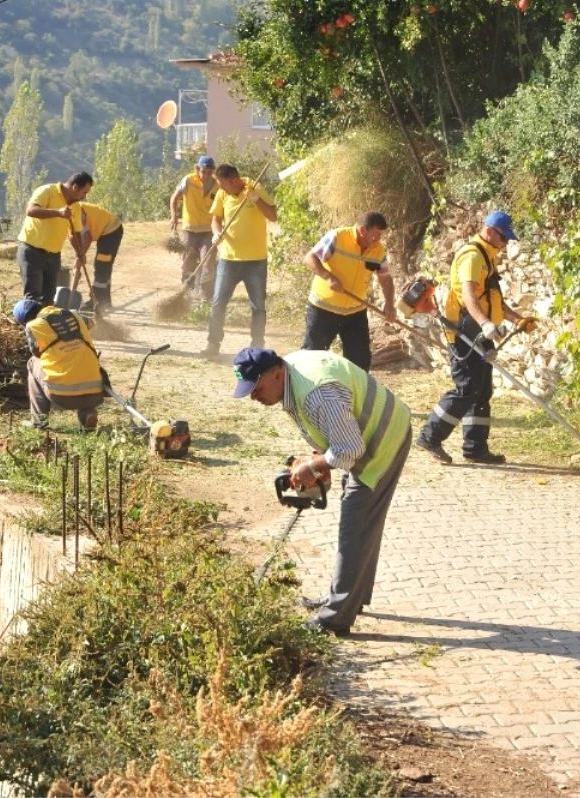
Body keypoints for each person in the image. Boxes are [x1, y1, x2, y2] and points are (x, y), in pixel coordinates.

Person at [233, 346, 411, 636]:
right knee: (362, 524)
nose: (254, 397)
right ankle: (350, 598)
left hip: (384, 438)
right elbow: (333, 430)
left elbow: (350, 449)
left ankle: (336, 618)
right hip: (365, 438)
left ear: (277, 373)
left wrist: (313, 467)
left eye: (256, 388)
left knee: (355, 527)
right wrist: (317, 459)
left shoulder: (317, 392)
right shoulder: (290, 375)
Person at [415, 211, 536, 465]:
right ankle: (430, 436)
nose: (505, 244)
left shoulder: (487, 258)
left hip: (480, 330)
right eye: (503, 238)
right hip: (464, 330)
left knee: (481, 391)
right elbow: (469, 296)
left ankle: (475, 448)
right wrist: (485, 323)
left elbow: (493, 299)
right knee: (467, 388)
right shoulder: (472, 257)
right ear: (490, 231)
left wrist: (518, 320)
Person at [302, 212, 396, 372]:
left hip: (355, 313)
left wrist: (389, 304)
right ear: (362, 230)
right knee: (313, 357)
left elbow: (386, 280)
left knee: (360, 363)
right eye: (376, 235)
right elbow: (310, 258)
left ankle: (355, 395)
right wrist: (328, 277)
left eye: (381, 235)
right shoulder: (337, 237)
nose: (378, 239)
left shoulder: (378, 251)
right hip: (324, 309)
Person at [203, 164, 277, 357]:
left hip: (256, 261)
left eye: (223, 184)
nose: (221, 188)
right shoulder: (222, 195)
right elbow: (215, 219)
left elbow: (273, 215)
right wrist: (216, 233)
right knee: (218, 302)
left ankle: (257, 346)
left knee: (258, 306)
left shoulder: (254, 187)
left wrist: (255, 199)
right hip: (229, 259)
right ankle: (213, 344)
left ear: (234, 180)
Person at [11, 298, 104, 432]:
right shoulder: (73, 314)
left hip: (62, 397)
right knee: (81, 360)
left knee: (32, 362)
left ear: (23, 321)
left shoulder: (33, 326)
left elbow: (37, 353)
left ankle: (39, 421)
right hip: (94, 394)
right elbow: (91, 324)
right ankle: (88, 413)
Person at [17, 173, 94, 303]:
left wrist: (80, 253)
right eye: (84, 193)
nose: (84, 197)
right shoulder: (47, 191)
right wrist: (58, 213)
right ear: (75, 187)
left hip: (53, 256)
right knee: (33, 296)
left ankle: (46, 322)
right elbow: (31, 211)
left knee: (48, 298)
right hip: (32, 251)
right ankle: (31, 322)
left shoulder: (75, 206)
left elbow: (74, 233)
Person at [169, 155, 218, 301]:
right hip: (190, 229)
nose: (207, 175)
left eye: (210, 172)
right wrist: (174, 216)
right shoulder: (188, 181)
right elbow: (174, 198)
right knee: (188, 260)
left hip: (208, 231)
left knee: (208, 260)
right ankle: (186, 290)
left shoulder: (217, 185)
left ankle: (206, 295)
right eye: (204, 171)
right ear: (198, 169)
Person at [73, 201, 124, 310]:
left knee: (102, 266)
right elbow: (75, 237)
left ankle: (96, 301)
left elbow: (86, 237)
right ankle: (105, 301)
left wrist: (79, 258)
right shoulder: (68, 212)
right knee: (105, 266)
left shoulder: (75, 210)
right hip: (106, 231)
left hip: (111, 232)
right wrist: (78, 257)